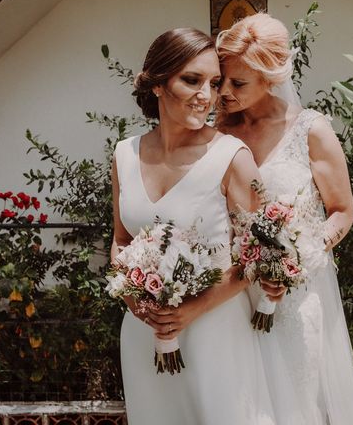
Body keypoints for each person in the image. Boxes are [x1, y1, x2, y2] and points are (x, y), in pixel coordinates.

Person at [110, 28, 275, 425]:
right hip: (143, 334)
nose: (207, 94)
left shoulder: (232, 157)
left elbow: (262, 254)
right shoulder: (124, 155)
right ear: (158, 85)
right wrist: (133, 298)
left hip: (214, 329)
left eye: (214, 83)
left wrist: (192, 309)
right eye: (191, 80)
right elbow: (120, 241)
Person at [215, 13, 353, 424]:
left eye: (238, 83)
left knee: (295, 406)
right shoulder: (217, 131)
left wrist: (298, 258)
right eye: (222, 80)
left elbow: (341, 210)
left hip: (292, 296)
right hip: (228, 294)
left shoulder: (311, 131)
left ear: (270, 78)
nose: (224, 92)